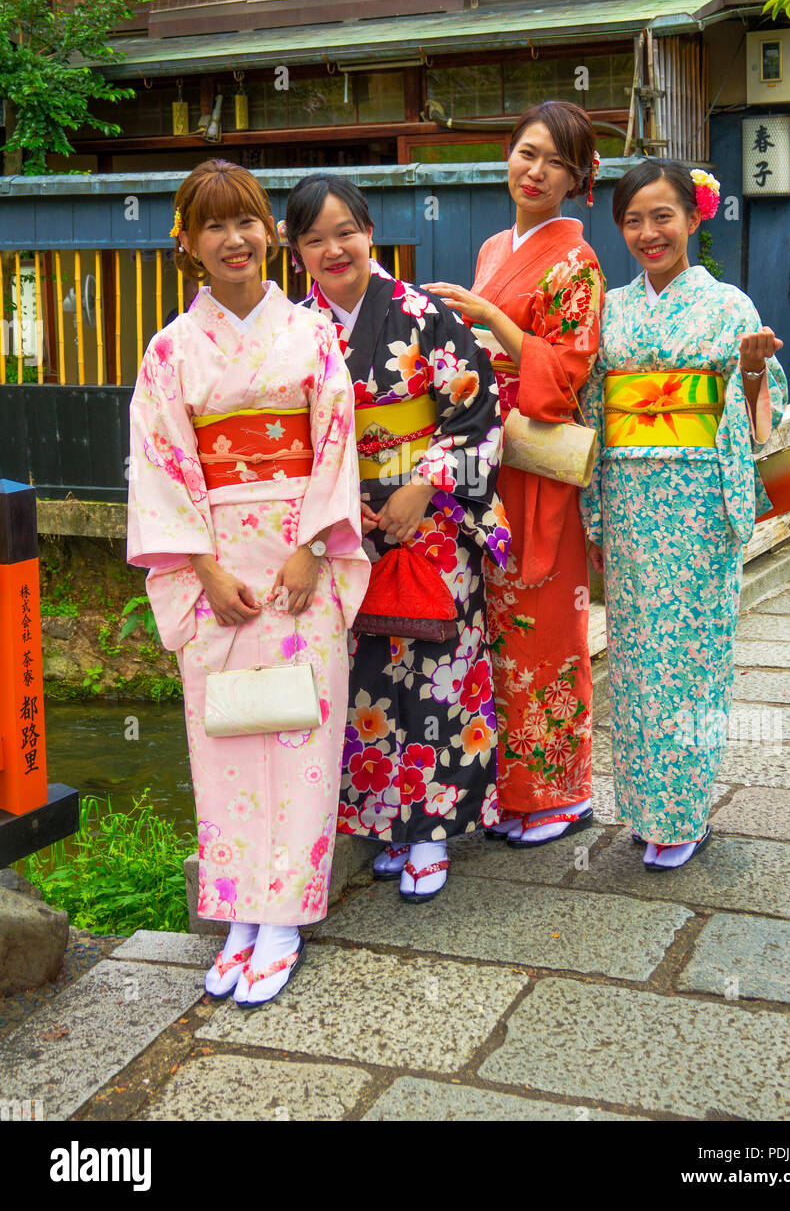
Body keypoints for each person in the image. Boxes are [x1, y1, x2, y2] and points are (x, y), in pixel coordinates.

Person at [127, 159, 368, 1004]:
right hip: (218, 566)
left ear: (269, 231)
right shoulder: (169, 352)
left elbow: (335, 440)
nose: (235, 239)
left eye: (248, 221)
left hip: (303, 560)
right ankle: (236, 913)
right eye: (214, 225)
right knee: (225, 737)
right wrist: (201, 566)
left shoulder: (310, 335)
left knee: (301, 733)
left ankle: (284, 920)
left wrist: (312, 547)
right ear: (186, 243)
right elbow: (161, 465)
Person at [284, 174, 509, 902]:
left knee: (437, 668)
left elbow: (476, 408)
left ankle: (433, 834)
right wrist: (338, 501)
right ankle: (387, 823)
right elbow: (291, 439)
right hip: (345, 525)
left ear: (370, 232)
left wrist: (424, 485)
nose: (333, 248)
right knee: (365, 677)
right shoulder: (294, 331)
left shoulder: (421, 314)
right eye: (314, 238)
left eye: (345, 230)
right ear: (295, 253)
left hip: (431, 517)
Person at [580, 159, 787, 869]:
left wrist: (754, 370)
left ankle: (684, 812)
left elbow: (758, 418)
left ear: (694, 219)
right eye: (633, 220)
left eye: (662, 216)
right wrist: (596, 514)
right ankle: (645, 808)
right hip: (631, 499)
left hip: (699, 500)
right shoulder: (611, 308)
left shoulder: (730, 307)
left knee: (692, 659)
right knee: (638, 660)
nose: (648, 232)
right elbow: (593, 412)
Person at [428, 101, 604, 848]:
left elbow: (563, 374)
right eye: (526, 153)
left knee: (545, 628)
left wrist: (492, 324)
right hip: (489, 460)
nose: (534, 171)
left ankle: (563, 795)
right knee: (495, 630)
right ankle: (511, 791)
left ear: (578, 179)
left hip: (537, 457)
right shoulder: (499, 246)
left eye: (555, 162)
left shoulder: (579, 261)